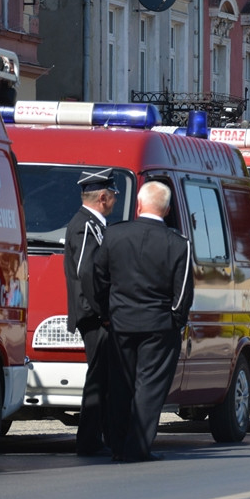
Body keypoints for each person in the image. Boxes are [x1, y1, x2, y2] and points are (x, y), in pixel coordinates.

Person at [93, 180, 193, 463]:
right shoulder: (178, 243)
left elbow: (98, 278)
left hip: (121, 323)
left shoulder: (114, 236)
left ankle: (117, 445)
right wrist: (176, 320)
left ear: (138, 205)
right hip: (159, 325)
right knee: (149, 387)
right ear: (168, 209)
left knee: (120, 384)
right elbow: (183, 290)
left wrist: (106, 314)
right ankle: (136, 448)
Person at [65, 168, 119, 456]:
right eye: (112, 196)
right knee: (98, 378)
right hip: (93, 314)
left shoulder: (94, 224)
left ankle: (105, 436)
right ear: (102, 197)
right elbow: (87, 271)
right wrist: (103, 310)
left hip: (95, 313)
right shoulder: (86, 225)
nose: (114, 202)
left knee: (104, 377)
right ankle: (88, 441)